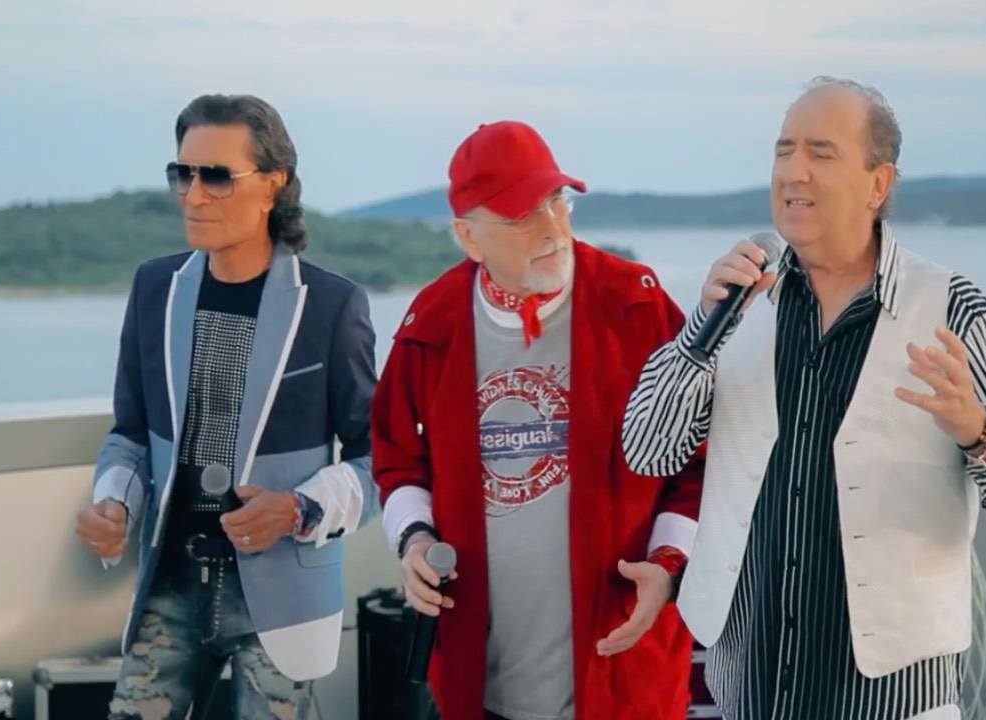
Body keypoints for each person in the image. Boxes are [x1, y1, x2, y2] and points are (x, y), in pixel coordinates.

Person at [622, 77, 986, 720]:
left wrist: (979, 430)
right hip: (749, 695)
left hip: (894, 702)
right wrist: (701, 331)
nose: (793, 170)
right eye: (783, 151)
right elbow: (647, 451)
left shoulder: (952, 308)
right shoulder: (739, 303)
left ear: (877, 184)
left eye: (821, 152)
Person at [372, 120, 705, 720]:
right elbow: (397, 459)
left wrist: (668, 565)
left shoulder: (637, 304)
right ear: (469, 237)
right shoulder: (432, 322)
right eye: (522, 214)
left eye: (557, 200)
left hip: (624, 676)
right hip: (482, 684)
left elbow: (701, 460)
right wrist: (414, 539)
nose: (552, 226)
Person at [75, 94, 378, 719]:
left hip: (283, 599)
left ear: (273, 184)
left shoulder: (331, 305)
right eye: (182, 174)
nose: (193, 195)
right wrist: (113, 503)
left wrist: (298, 508)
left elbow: (379, 458)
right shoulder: (154, 288)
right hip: (171, 584)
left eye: (215, 176)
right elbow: (131, 434)